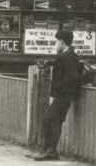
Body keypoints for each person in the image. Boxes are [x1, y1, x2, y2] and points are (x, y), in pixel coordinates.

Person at [34, 30, 81, 161]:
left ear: (62, 42)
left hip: (63, 95)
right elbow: (64, 66)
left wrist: (58, 89)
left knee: (48, 119)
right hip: (65, 95)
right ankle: (49, 150)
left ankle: (49, 151)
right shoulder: (69, 55)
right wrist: (49, 63)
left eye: (57, 42)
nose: (56, 45)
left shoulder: (67, 56)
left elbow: (72, 76)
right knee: (55, 121)